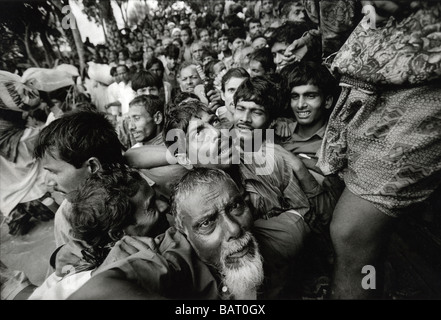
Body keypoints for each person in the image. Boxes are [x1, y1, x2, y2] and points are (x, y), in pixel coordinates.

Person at [314, 1, 441, 299]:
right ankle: (372, 287)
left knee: (351, 230)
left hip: (418, 84)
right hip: (378, 76)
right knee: (366, 240)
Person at [67, 168, 310, 300]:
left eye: (235, 206)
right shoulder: (170, 256)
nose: (234, 229)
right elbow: (96, 292)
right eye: (207, 223)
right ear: (183, 232)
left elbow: (310, 216)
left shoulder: (285, 233)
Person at [33, 110, 127, 270]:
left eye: (54, 172)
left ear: (92, 166)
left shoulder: (67, 215)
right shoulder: (66, 214)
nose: (48, 182)